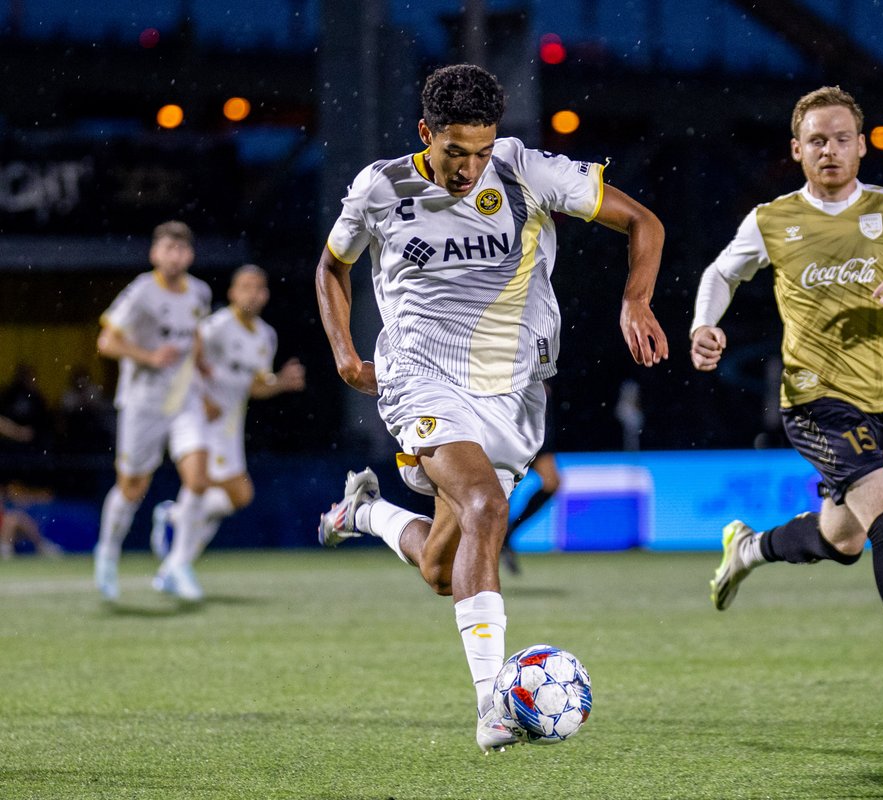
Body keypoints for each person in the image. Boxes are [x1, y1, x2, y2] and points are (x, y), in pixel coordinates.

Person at [314, 64, 668, 753]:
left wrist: (637, 298)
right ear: (426, 134)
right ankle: (492, 707)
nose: (471, 167)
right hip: (418, 375)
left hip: (511, 393)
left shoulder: (526, 172)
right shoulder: (381, 187)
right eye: (455, 152)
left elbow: (643, 223)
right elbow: (333, 267)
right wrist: (343, 355)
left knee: (443, 570)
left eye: (482, 150)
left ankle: (364, 511)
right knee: (485, 507)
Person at [691, 86, 883, 723]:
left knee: (843, 539)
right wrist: (704, 325)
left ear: (861, 145)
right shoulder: (772, 219)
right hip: (813, 401)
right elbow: (722, 273)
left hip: (882, 403)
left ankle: (749, 549)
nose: (828, 150)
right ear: (797, 150)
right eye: (816, 140)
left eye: (840, 138)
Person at [149, 264, 306, 580]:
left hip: (231, 424)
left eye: (259, 288)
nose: (253, 293)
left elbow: (255, 385)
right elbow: (186, 357)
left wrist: (281, 382)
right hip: (203, 418)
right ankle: (177, 549)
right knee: (227, 490)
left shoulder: (265, 336)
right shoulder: (217, 327)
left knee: (230, 498)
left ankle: (175, 545)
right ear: (233, 293)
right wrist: (202, 398)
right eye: (246, 286)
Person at [93, 220, 212, 602]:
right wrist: (148, 356)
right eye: (167, 249)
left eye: (180, 249)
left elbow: (194, 337)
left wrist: (205, 380)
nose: (174, 255)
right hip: (143, 402)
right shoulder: (141, 292)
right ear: (154, 254)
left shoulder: (200, 293)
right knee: (132, 486)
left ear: (189, 255)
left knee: (197, 479)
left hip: (184, 400)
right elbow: (107, 341)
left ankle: (177, 564)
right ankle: (108, 552)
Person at [498, 381, 560, 575]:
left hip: (535, 442)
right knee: (502, 494)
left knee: (552, 483)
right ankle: (492, 544)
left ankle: (509, 532)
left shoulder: (541, 369)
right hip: (507, 440)